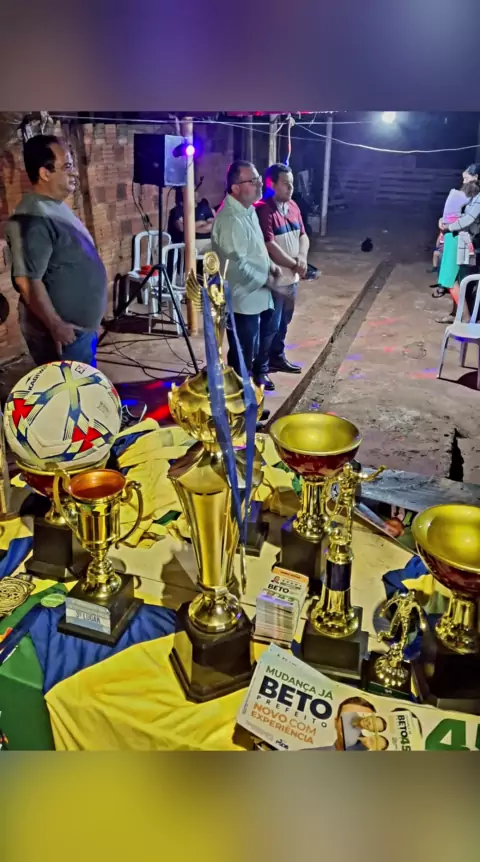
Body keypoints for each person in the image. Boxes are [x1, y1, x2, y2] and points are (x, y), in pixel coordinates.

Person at [4, 135, 107, 367]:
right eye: (67, 166)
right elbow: (26, 281)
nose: (74, 173)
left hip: (78, 331)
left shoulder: (53, 207)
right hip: (64, 334)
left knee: (83, 384)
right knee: (69, 388)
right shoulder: (33, 218)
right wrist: (56, 325)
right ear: (44, 173)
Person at [211, 160, 281, 387]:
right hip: (243, 297)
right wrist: (266, 280)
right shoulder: (230, 219)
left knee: (262, 337)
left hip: (259, 292)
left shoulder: (248, 210)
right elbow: (237, 265)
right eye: (253, 181)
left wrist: (270, 265)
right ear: (235, 188)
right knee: (243, 350)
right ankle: (240, 394)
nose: (260, 184)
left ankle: (255, 380)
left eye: (258, 179)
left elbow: (255, 248)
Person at [256, 164, 309, 381]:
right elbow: (269, 245)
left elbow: (303, 235)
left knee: (284, 321)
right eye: (286, 183)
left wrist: (302, 257)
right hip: (274, 278)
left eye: (292, 183)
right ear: (272, 184)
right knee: (270, 324)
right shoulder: (264, 209)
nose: (290, 188)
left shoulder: (293, 206)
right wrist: (295, 264)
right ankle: (260, 367)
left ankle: (277, 357)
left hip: (292, 278)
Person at [437, 165, 480, 325]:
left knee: (451, 280)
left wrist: (449, 226)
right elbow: (461, 214)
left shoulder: (479, 197)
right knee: (456, 279)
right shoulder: (473, 196)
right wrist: (444, 220)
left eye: (467, 178)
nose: (464, 181)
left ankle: (465, 317)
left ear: (476, 177)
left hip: (467, 240)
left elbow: (469, 219)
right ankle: (458, 314)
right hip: (458, 238)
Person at [167, 183, 216, 252]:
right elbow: (182, 228)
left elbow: (212, 225)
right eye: (192, 190)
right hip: (191, 243)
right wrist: (201, 223)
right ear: (184, 193)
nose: (195, 193)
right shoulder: (178, 209)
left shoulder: (203, 207)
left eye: (195, 190)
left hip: (209, 241)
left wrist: (190, 228)